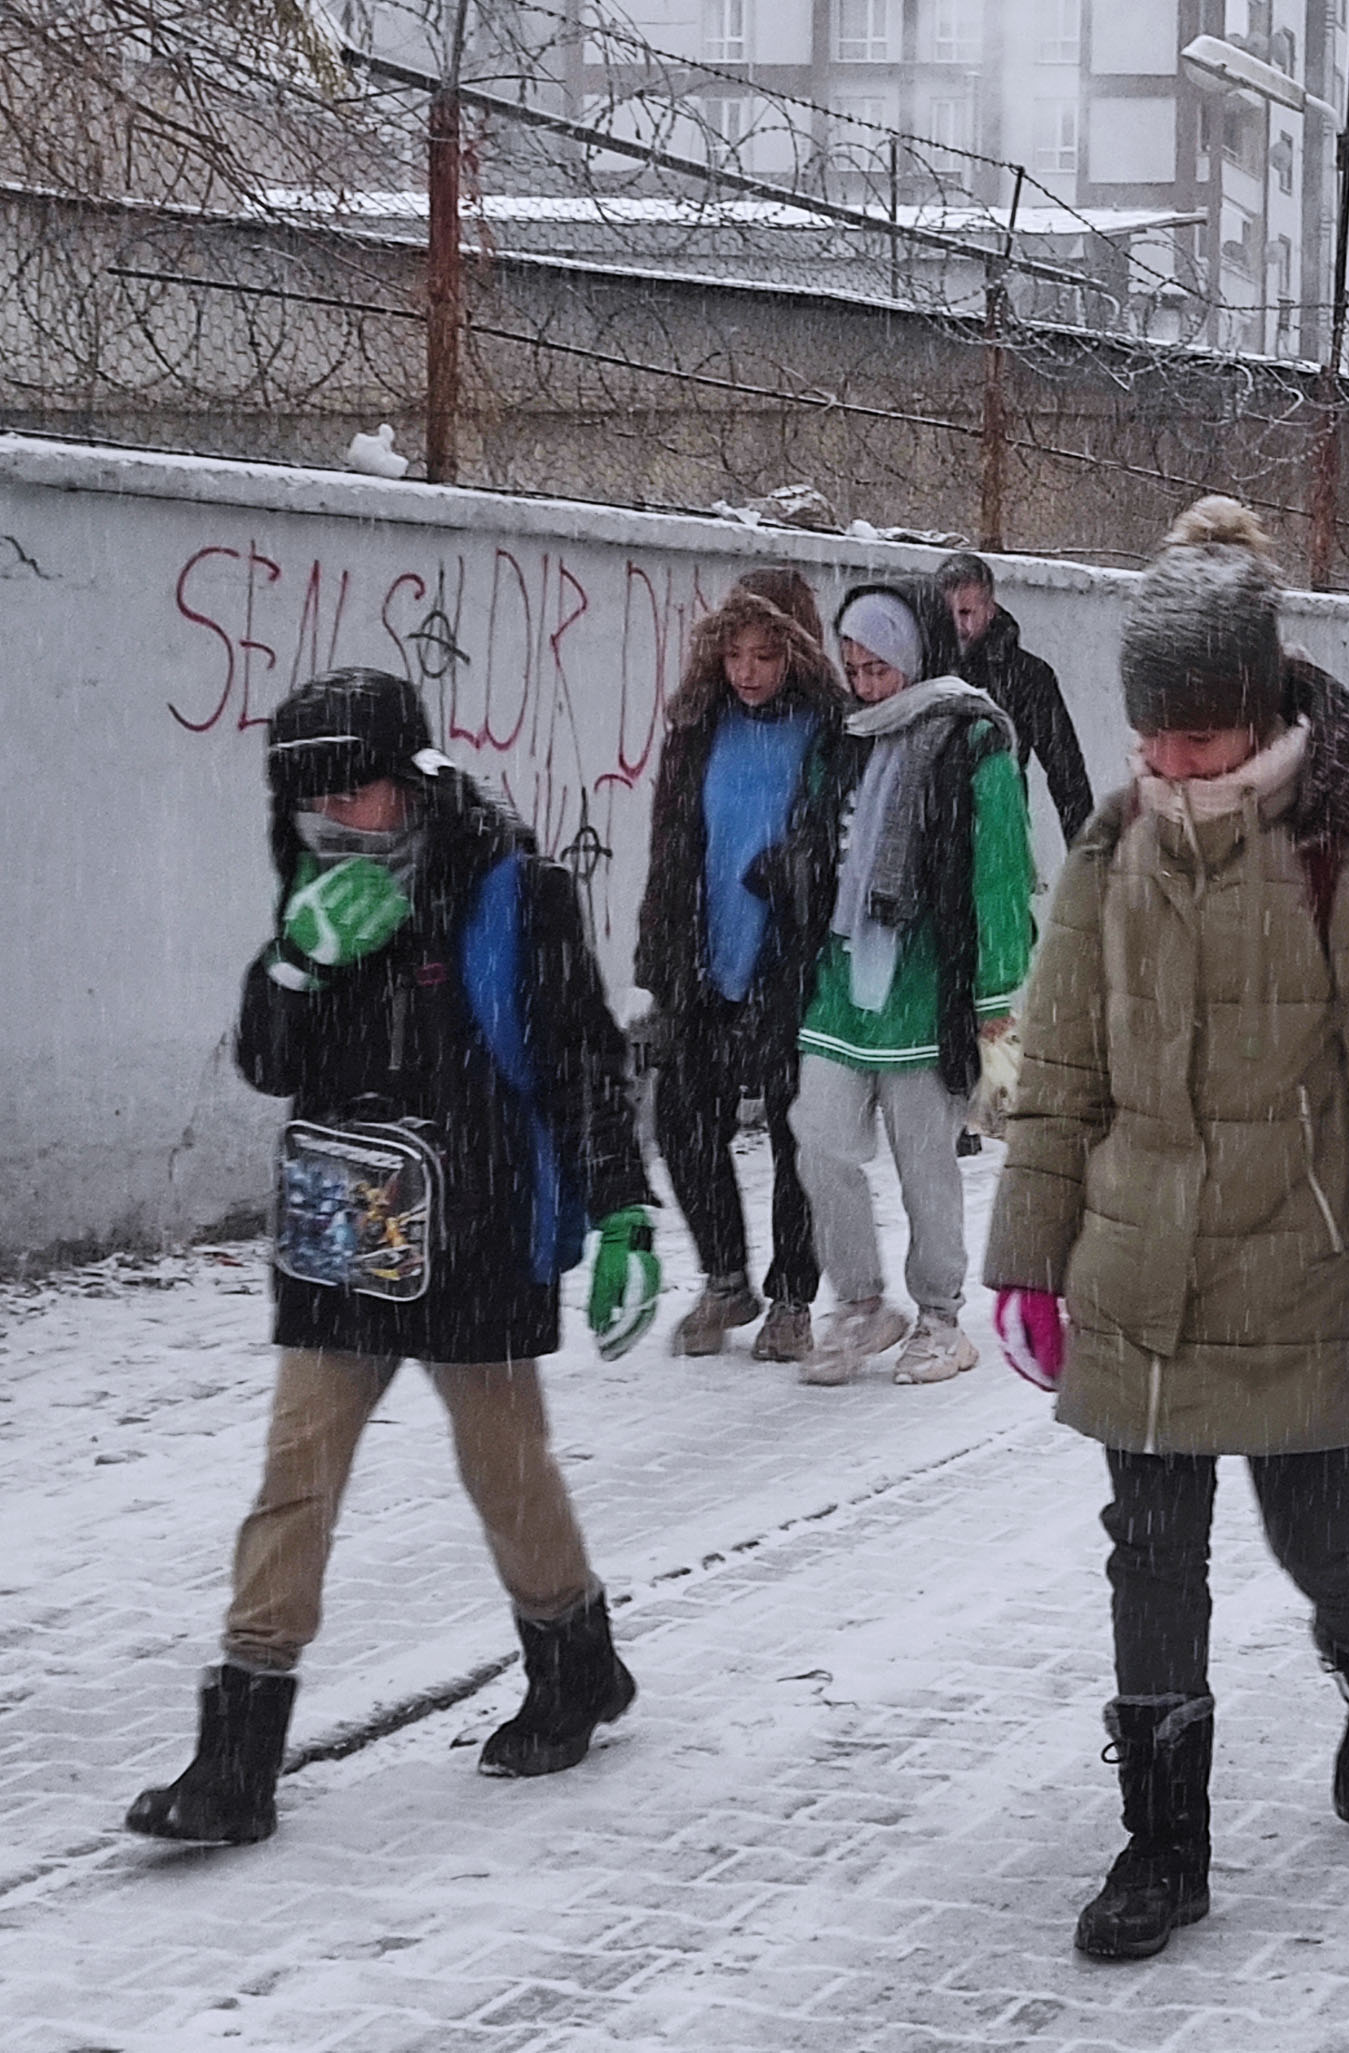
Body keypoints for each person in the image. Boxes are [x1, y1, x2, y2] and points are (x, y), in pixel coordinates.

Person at [982, 498, 1349, 1963]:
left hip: (1302, 1252)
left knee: (1308, 1515)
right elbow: (1062, 1063)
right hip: (1143, 1255)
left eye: (1195, 740)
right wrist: (1029, 1254)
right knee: (1149, 1541)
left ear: (1255, 714)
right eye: (1151, 739)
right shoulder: (1108, 850)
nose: (1169, 766)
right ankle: (1163, 1841)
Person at [128, 671, 656, 1845]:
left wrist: (622, 1208)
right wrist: (293, 968)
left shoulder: (514, 890)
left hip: (474, 1228)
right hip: (340, 1230)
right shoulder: (315, 881)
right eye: (317, 798)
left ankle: (577, 1663)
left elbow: (580, 1059)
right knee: (296, 1471)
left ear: (411, 781)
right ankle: (237, 1761)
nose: (340, 819)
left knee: (503, 1466)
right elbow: (270, 1064)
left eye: (358, 792)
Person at [776, 579, 1033, 1388]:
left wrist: (996, 1002)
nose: (864, 681)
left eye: (879, 665)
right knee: (817, 1140)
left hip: (929, 989)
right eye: (853, 664)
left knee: (927, 1164)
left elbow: (999, 877)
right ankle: (860, 1301)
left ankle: (939, 1316)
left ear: (916, 657)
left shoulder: (973, 745)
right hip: (842, 984)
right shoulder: (842, 740)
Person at [637, 569, 841, 1363]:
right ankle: (727, 1277)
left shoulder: (832, 730)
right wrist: (660, 967)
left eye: (765, 654)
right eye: (734, 654)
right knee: (686, 1121)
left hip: (793, 962)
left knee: (800, 1137)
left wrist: (803, 867)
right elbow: (669, 852)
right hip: (705, 958)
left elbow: (845, 838)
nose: (747, 671)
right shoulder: (696, 727)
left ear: (797, 653)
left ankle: (794, 1295)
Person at [938, 551, 1095, 846]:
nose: (959, 626)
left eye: (966, 613)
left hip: (998, 835)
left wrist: (1087, 864)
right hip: (929, 841)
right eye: (949, 613)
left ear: (990, 608)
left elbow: (1067, 776)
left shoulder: (1029, 677)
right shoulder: (922, 666)